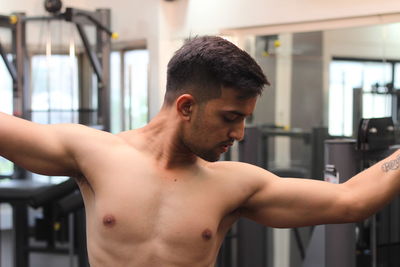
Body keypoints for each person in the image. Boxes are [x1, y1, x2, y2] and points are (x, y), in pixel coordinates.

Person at [0, 36, 399, 267]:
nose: (239, 133)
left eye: (244, 119)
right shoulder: (94, 153)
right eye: (230, 117)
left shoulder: (235, 185)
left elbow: (351, 200)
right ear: (186, 106)